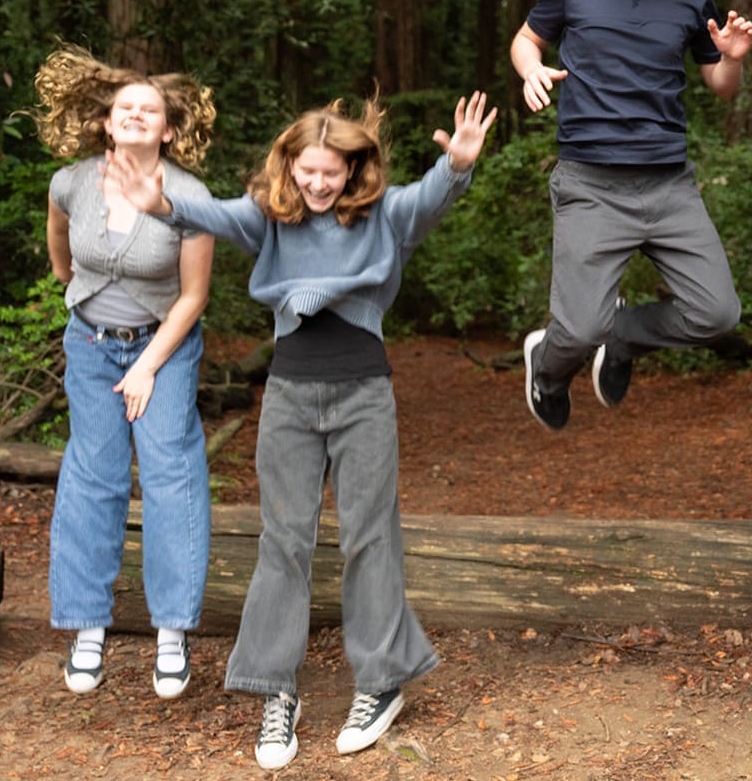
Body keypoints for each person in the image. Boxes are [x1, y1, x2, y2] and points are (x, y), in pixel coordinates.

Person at [105, 89, 497, 766]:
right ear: (289, 167)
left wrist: (457, 164)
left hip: (364, 394)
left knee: (370, 535)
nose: (318, 182)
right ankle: (275, 692)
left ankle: (380, 680)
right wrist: (162, 203)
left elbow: (429, 197)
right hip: (289, 396)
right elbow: (213, 213)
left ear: (353, 169)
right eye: (307, 170)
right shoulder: (271, 219)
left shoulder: (382, 216)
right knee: (284, 541)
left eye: (331, 170)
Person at [513, 0, 752, 431]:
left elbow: (719, 86)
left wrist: (731, 60)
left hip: (668, 182)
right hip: (590, 181)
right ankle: (547, 369)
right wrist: (532, 70)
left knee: (718, 314)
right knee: (576, 330)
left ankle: (622, 337)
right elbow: (528, 38)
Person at [36, 46, 217, 703]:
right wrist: (76, 292)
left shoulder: (190, 196)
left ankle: (172, 631)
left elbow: (194, 296)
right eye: (125, 108)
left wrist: (145, 364)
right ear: (107, 123)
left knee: (170, 471)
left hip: (163, 345)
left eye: (152, 109)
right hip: (89, 344)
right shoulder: (71, 182)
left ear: (168, 128)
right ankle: (87, 629)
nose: (138, 115)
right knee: (93, 473)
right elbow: (61, 243)